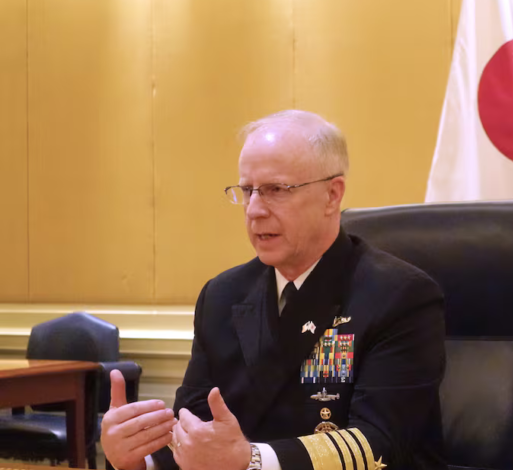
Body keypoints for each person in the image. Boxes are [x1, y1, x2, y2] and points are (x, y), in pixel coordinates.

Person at [100, 110, 447, 470]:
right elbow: (198, 434)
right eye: (247, 190)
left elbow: (380, 444)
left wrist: (248, 460)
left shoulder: (400, 295)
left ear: (332, 195)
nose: (253, 210)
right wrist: (136, 459)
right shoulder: (223, 296)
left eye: (275, 190)